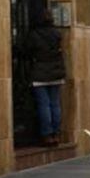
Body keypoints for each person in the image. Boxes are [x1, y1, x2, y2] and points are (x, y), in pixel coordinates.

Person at [27, 10, 67, 146]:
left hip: (39, 73)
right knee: (55, 103)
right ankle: (56, 133)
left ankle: (47, 134)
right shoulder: (57, 34)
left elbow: (27, 50)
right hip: (56, 72)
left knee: (44, 104)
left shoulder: (34, 35)